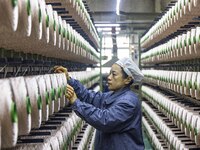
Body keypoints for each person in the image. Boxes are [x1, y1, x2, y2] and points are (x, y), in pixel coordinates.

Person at [55, 57, 144, 150]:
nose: (109, 77)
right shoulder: (113, 95)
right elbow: (89, 97)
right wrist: (69, 80)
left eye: (114, 74)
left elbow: (104, 120)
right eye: (109, 73)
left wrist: (76, 102)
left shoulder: (128, 102)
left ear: (128, 79)